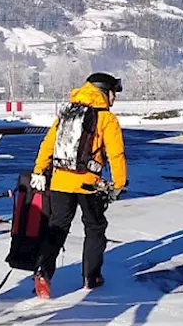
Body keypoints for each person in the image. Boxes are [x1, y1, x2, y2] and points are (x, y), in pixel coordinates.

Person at [29, 72, 127, 299]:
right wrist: (119, 184)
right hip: (89, 184)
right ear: (104, 91)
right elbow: (116, 154)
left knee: (57, 227)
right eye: (113, 93)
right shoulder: (106, 119)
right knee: (94, 227)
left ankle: (43, 271)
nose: (115, 98)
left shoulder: (67, 114)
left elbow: (48, 145)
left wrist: (38, 170)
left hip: (60, 181)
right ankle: (91, 277)